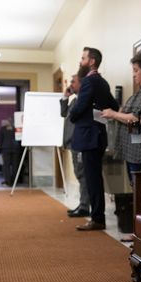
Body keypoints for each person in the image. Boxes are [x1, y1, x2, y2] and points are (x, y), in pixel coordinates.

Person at [101, 51, 141, 210]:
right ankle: (138, 229)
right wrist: (115, 115)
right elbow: (126, 115)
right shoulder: (136, 95)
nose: (134, 75)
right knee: (136, 189)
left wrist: (114, 114)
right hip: (130, 150)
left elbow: (137, 118)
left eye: (136, 70)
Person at [68, 47, 119, 231]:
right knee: (94, 178)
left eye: (82, 58)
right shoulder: (102, 82)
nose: (80, 61)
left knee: (92, 179)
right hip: (98, 135)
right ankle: (98, 217)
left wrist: (71, 114)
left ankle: (97, 219)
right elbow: (114, 105)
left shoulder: (89, 81)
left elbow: (79, 107)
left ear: (91, 61)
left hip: (89, 137)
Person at [61, 73, 90, 217]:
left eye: (74, 81)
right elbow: (63, 113)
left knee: (82, 174)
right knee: (80, 174)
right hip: (72, 143)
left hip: (79, 143)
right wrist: (65, 97)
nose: (71, 84)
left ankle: (85, 206)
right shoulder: (74, 101)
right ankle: (82, 204)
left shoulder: (83, 102)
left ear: (81, 84)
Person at [0, 118, 23, 186]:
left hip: (6, 149)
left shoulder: (3, 129)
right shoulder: (16, 128)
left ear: (7, 122)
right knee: (15, 165)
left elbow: (0, 139)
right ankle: (15, 181)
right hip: (15, 149)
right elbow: (19, 139)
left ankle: (8, 181)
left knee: (6, 166)